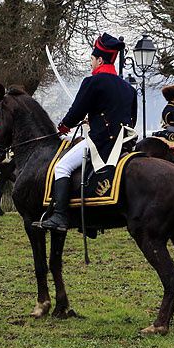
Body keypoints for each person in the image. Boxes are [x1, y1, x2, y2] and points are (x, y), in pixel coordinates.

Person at [34, 33, 137, 232]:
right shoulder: (128, 88)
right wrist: (96, 119)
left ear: (99, 59)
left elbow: (76, 111)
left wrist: (64, 126)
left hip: (101, 142)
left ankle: (60, 216)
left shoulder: (93, 82)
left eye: (91, 60)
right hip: (124, 143)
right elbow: (130, 118)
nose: (91, 64)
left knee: (62, 167)